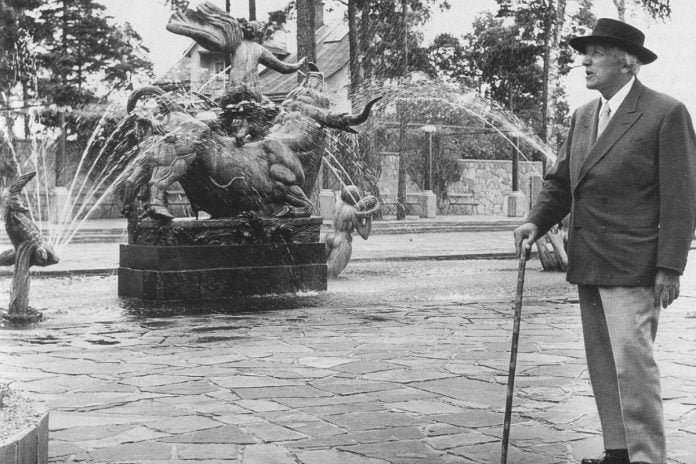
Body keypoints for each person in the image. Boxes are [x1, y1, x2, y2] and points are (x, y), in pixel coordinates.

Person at [513, 18, 696, 464]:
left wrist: (669, 267)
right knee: (603, 365)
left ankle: (647, 458)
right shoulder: (582, 116)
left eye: (595, 51)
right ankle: (618, 451)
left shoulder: (665, 113)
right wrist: (536, 221)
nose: (584, 60)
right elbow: (561, 183)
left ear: (627, 61)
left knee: (634, 370)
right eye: (585, 51)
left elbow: (682, 196)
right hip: (589, 261)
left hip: (635, 265)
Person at [325, 186, 377, 278]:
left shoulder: (338, 205)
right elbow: (364, 234)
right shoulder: (353, 212)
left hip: (330, 237)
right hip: (343, 241)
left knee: (322, 272)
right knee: (331, 275)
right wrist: (369, 217)